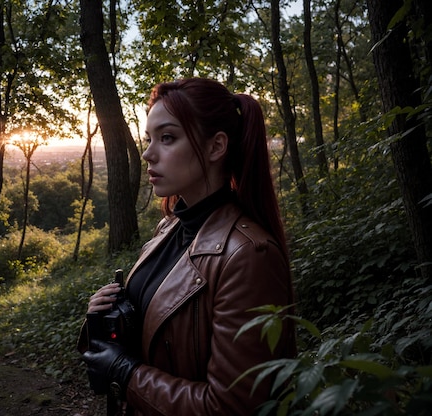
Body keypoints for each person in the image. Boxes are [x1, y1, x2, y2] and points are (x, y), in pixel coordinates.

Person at [78, 78, 296, 415]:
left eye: (167, 138)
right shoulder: (171, 227)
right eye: (150, 139)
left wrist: (126, 372)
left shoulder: (248, 255)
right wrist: (106, 317)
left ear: (215, 147)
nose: (149, 153)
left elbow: (229, 406)